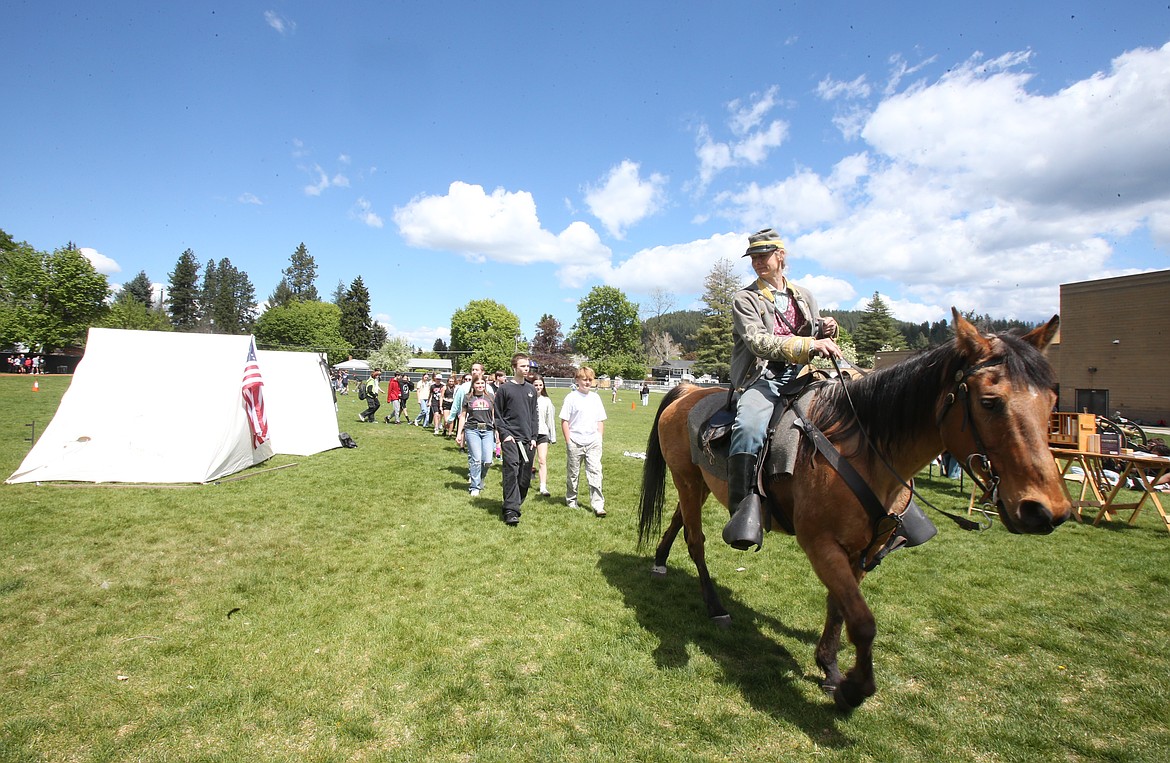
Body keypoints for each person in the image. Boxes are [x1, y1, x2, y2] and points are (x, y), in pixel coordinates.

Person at [723, 228, 842, 551]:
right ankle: (742, 512)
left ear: (781, 256)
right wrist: (810, 343)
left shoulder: (804, 295)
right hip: (762, 378)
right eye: (754, 258)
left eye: (764, 256)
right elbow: (759, 342)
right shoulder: (745, 299)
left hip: (804, 374)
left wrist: (826, 328)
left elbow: (811, 330)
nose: (758, 263)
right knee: (748, 427)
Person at [493, 353, 538, 526]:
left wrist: (533, 437)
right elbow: (498, 415)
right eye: (522, 366)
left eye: (527, 366)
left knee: (524, 477)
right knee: (511, 471)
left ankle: (515, 502)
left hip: (528, 440)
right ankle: (511, 510)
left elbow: (534, 415)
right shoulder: (505, 389)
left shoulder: (531, 390)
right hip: (511, 439)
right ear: (514, 367)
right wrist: (505, 435)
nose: (526, 369)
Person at [560, 366, 608, 517]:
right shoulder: (571, 398)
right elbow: (564, 421)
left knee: (595, 472)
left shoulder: (595, 398)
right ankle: (571, 500)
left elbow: (600, 420)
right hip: (575, 441)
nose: (587, 382)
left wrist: (599, 438)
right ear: (577, 380)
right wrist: (569, 441)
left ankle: (598, 505)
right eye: (584, 379)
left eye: (590, 379)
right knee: (573, 474)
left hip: (593, 441)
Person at [455, 373, 496, 497]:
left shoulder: (491, 397)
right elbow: (463, 416)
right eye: (477, 383)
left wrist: (498, 432)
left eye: (482, 383)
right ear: (473, 384)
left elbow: (494, 416)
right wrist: (459, 433)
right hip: (472, 430)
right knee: (476, 459)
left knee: (488, 460)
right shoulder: (468, 397)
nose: (480, 385)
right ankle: (474, 486)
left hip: (488, 430)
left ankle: (481, 478)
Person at [532, 374, 556, 496]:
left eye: (540, 385)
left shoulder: (546, 401)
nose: (538, 387)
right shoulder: (527, 399)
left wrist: (552, 436)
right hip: (529, 434)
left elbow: (550, 419)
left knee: (542, 460)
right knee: (528, 461)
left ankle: (543, 487)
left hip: (542, 434)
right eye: (535, 385)